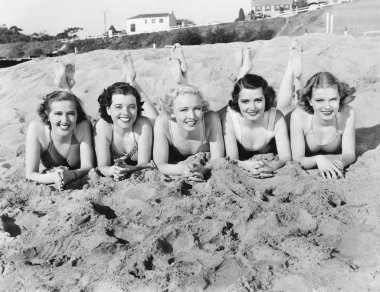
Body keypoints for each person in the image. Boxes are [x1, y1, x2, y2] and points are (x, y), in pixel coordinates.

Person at [220, 41, 302, 178]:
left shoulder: (276, 117)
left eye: (258, 100)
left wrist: (272, 165)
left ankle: (291, 64)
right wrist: (246, 165)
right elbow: (232, 158)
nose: (252, 108)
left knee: (285, 109)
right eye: (245, 102)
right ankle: (243, 69)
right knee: (244, 91)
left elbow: (286, 156)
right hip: (234, 113)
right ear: (237, 103)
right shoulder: (229, 120)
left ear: (267, 99)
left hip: (269, 114)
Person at [153, 44, 225, 181]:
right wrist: (181, 169)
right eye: (184, 110)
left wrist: (202, 169)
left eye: (197, 109)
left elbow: (218, 159)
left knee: (232, 108)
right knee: (152, 114)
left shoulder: (211, 118)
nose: (192, 116)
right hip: (168, 120)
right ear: (171, 112)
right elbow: (160, 164)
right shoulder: (163, 122)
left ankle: (183, 80)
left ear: (203, 108)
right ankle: (182, 80)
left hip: (214, 117)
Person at [25, 61, 94, 189]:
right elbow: (30, 174)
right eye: (57, 114)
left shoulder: (82, 126)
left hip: (85, 125)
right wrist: (53, 177)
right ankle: (64, 86)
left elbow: (88, 166)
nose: (65, 120)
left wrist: (70, 175)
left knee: (87, 120)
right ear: (47, 114)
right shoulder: (36, 129)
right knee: (72, 110)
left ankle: (64, 87)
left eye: (71, 114)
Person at [94, 53, 157, 180]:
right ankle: (129, 80)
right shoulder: (103, 126)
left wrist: (129, 169)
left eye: (132, 107)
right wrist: (112, 170)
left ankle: (132, 81)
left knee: (156, 120)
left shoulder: (142, 125)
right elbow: (102, 166)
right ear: (108, 109)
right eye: (118, 107)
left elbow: (144, 164)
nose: (126, 112)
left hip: (144, 124)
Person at [290, 71, 356, 179]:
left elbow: (350, 154)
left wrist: (341, 163)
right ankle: (294, 71)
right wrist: (318, 159)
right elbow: (297, 159)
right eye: (319, 100)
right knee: (281, 106)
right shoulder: (298, 117)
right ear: (310, 100)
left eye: (333, 99)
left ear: (340, 98)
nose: (327, 107)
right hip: (284, 117)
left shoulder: (348, 114)